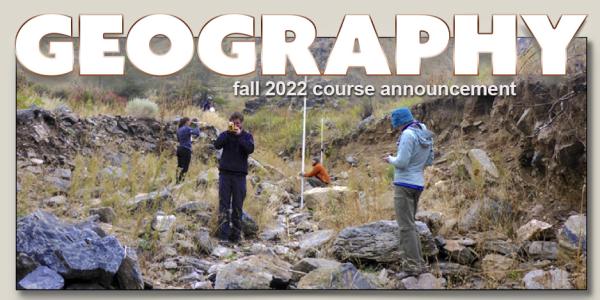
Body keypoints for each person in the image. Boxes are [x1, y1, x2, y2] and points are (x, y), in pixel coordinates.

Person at [383, 107, 434, 275]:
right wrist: (417, 166)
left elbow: (402, 162)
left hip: (404, 184)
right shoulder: (424, 130)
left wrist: (390, 159)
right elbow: (430, 159)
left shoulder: (407, 135)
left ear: (399, 122)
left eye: (395, 123)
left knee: (405, 227)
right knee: (410, 225)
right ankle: (419, 263)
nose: (395, 127)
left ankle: (412, 266)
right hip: (418, 183)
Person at [214, 112, 254, 244]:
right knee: (224, 205)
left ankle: (236, 236)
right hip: (225, 175)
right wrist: (228, 133)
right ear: (230, 122)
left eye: (238, 123)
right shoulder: (225, 134)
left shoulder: (247, 136)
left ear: (241, 123)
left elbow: (250, 149)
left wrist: (239, 136)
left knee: (238, 205)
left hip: (239, 176)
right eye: (233, 123)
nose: (236, 125)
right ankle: (223, 236)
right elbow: (217, 144)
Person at [176, 117, 201, 184]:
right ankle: (180, 182)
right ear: (186, 122)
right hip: (186, 149)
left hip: (180, 148)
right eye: (189, 122)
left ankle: (177, 181)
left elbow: (179, 140)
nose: (190, 123)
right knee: (185, 167)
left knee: (179, 166)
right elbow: (197, 133)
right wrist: (196, 125)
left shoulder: (179, 129)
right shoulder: (187, 128)